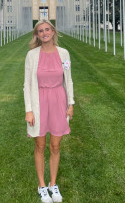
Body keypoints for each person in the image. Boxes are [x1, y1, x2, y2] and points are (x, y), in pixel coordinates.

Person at [23, 19, 75, 203]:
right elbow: (27, 84)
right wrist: (29, 110)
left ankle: (53, 184)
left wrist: (71, 103)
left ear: (53, 31)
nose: (44, 33)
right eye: (40, 31)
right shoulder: (32, 55)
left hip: (58, 101)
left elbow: (68, 80)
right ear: (36, 35)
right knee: (40, 146)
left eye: (47, 29)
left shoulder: (64, 53)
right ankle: (42, 186)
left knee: (55, 146)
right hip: (39, 102)